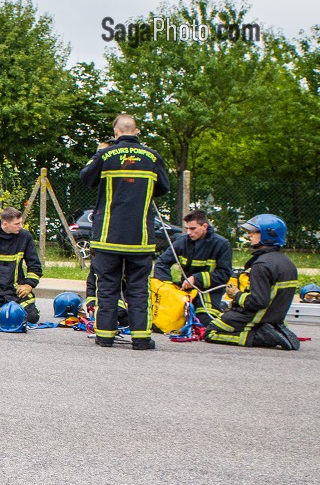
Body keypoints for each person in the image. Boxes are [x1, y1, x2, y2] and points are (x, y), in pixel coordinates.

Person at [80, 114, 171, 349]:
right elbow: (164, 187)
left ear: (116, 132)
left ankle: (105, 336)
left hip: (108, 237)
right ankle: (141, 339)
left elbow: (86, 178)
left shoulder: (105, 155)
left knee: (108, 287)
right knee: (139, 288)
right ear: (136, 131)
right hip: (140, 238)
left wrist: (97, 153)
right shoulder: (152, 157)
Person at [205, 214, 301, 349]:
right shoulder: (287, 262)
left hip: (256, 318)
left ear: (269, 234)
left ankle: (262, 336)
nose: (249, 235)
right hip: (274, 317)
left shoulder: (262, 264)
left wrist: (236, 294)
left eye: (254, 232)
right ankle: (272, 329)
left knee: (211, 331)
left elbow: (258, 301)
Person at [152, 209, 232, 323]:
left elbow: (224, 274)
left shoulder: (221, 244)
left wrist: (196, 279)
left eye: (193, 228)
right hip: (185, 290)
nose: (189, 232)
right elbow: (161, 262)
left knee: (204, 322)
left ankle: (221, 307)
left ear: (204, 226)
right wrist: (168, 287)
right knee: (166, 319)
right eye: (187, 229)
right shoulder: (182, 241)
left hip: (209, 292)